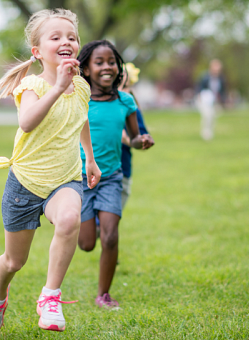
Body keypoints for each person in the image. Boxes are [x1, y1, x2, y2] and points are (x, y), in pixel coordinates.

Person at [0, 9, 101, 335]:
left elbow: (80, 119)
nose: (66, 42)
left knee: (70, 219)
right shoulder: (32, 85)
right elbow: (27, 121)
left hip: (65, 178)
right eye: (55, 37)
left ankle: (50, 297)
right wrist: (57, 87)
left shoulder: (81, 87)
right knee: (14, 262)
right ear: (38, 52)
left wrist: (91, 159)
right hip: (25, 184)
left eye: (71, 37)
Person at [76, 40, 154, 308]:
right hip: (80, 179)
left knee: (110, 236)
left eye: (111, 62)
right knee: (86, 244)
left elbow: (132, 138)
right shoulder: (78, 99)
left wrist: (140, 141)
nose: (107, 67)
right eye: (99, 62)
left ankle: (103, 294)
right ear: (86, 69)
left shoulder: (125, 100)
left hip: (111, 177)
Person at [119, 63, 154, 209]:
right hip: (91, 172)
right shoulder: (95, 104)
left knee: (104, 225)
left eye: (125, 86)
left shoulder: (131, 108)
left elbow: (141, 137)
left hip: (121, 171)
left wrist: (137, 140)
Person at [197, 59, 226, 140]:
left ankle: (210, 131)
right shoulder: (205, 77)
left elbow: (222, 91)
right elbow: (199, 87)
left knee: (213, 116)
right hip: (204, 99)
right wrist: (199, 97)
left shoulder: (221, 79)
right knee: (207, 115)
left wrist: (222, 101)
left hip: (214, 101)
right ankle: (205, 133)